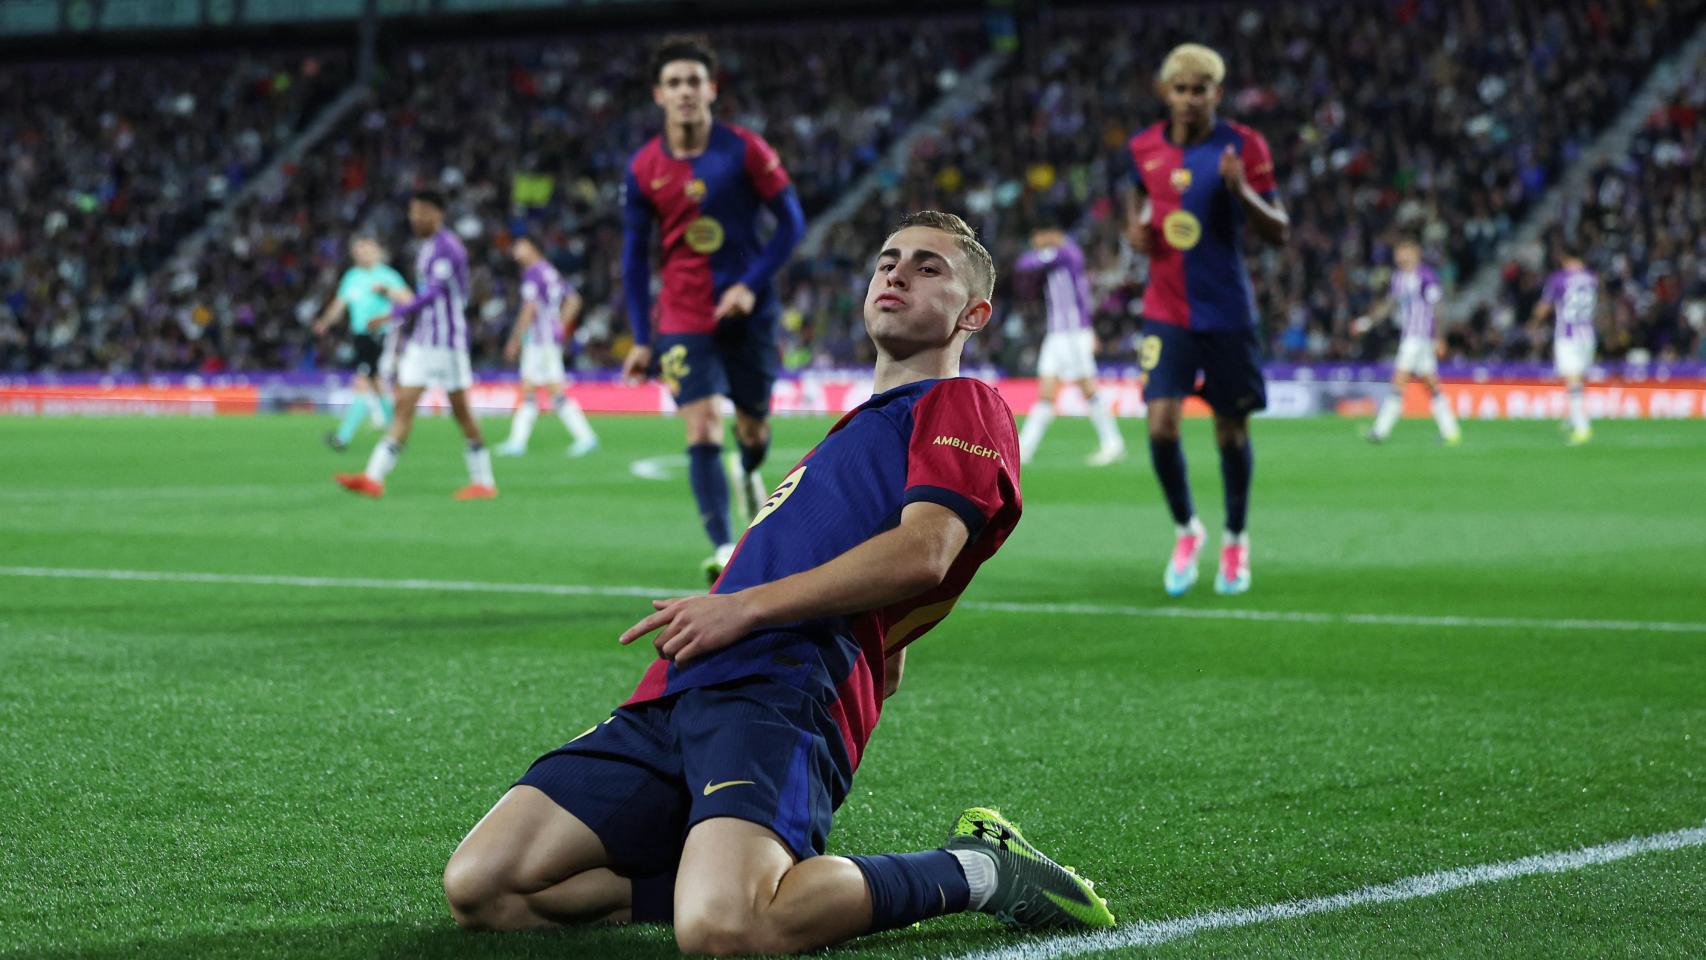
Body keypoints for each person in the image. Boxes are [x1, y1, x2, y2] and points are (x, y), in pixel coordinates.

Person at [440, 212, 1114, 954]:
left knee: (728, 931)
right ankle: (714, 869)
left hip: (779, 688)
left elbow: (926, 552)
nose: (896, 273)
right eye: (887, 260)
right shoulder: (852, 432)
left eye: (929, 268)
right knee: (484, 887)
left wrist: (745, 610)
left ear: (973, 313)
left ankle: (977, 870)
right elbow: (892, 623)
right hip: (672, 693)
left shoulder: (964, 404)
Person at [620, 35, 808, 581]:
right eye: (674, 82)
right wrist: (639, 336)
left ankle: (749, 470)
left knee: (752, 428)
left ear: (711, 88)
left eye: (694, 81)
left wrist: (750, 284)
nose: (685, 91)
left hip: (749, 310)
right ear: (659, 93)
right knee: (700, 426)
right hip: (681, 315)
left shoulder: (745, 148)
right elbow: (634, 259)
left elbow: (791, 223)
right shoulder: (642, 168)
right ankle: (726, 547)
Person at [1122, 42, 1288, 597]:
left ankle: (1236, 539)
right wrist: (1134, 228)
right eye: (1181, 89)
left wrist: (1242, 192)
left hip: (1227, 314)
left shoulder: (1243, 147)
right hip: (1165, 310)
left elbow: (1279, 231)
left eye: (1201, 89)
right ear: (1165, 92)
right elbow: (1137, 196)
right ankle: (1187, 528)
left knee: (1229, 433)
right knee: (1161, 426)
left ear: (1217, 92)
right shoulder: (1143, 147)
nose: (1190, 99)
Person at [335, 189, 496, 500]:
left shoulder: (448, 248)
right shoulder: (425, 248)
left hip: (448, 344)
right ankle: (373, 477)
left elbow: (433, 294)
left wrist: (392, 313)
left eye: (422, 211)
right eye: (413, 212)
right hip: (424, 342)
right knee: (403, 405)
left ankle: (484, 482)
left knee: (461, 412)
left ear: (439, 214)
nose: (415, 218)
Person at [1012, 227, 1126, 466]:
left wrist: (1036, 251)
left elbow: (1025, 264)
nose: (1037, 244)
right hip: (1057, 334)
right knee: (1045, 393)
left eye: (1040, 239)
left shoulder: (1067, 253)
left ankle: (1113, 443)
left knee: (1087, 388)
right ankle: (1024, 449)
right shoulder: (1057, 258)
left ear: (1052, 234)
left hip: (1073, 334)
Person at [496, 235, 599, 458]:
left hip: (538, 342)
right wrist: (559, 326)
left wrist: (515, 339)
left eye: (520, 246)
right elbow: (574, 300)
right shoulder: (549, 271)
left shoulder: (533, 272)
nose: (516, 252)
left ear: (533, 247)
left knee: (547, 391)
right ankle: (518, 441)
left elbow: (529, 309)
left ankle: (584, 437)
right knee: (535, 391)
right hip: (547, 341)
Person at [1362, 238, 1462, 445]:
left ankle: (1380, 431)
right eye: (1398, 251)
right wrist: (1367, 322)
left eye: (1403, 251)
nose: (1399, 256)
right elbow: (1389, 305)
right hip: (1412, 337)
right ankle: (1451, 431)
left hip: (1418, 338)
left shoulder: (1426, 277)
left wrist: (1440, 338)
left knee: (1398, 381)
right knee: (1431, 385)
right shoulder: (1398, 278)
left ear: (1414, 253)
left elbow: (1438, 308)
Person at [313, 234, 404, 452]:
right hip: (360, 336)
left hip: (379, 335)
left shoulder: (387, 275)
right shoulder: (352, 276)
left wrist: (386, 292)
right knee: (376, 384)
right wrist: (325, 321)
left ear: (376, 250)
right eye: (357, 251)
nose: (361, 254)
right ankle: (397, 433)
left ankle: (343, 437)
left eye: (365, 249)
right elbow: (339, 304)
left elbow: (408, 300)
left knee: (362, 382)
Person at [1531, 248, 1599, 446]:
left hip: (1568, 335)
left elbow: (1545, 306)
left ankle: (1582, 428)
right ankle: (1572, 418)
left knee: (1572, 379)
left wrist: (1533, 322)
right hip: (1588, 334)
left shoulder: (1559, 279)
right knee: (1578, 378)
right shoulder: (1591, 278)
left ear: (1563, 258)